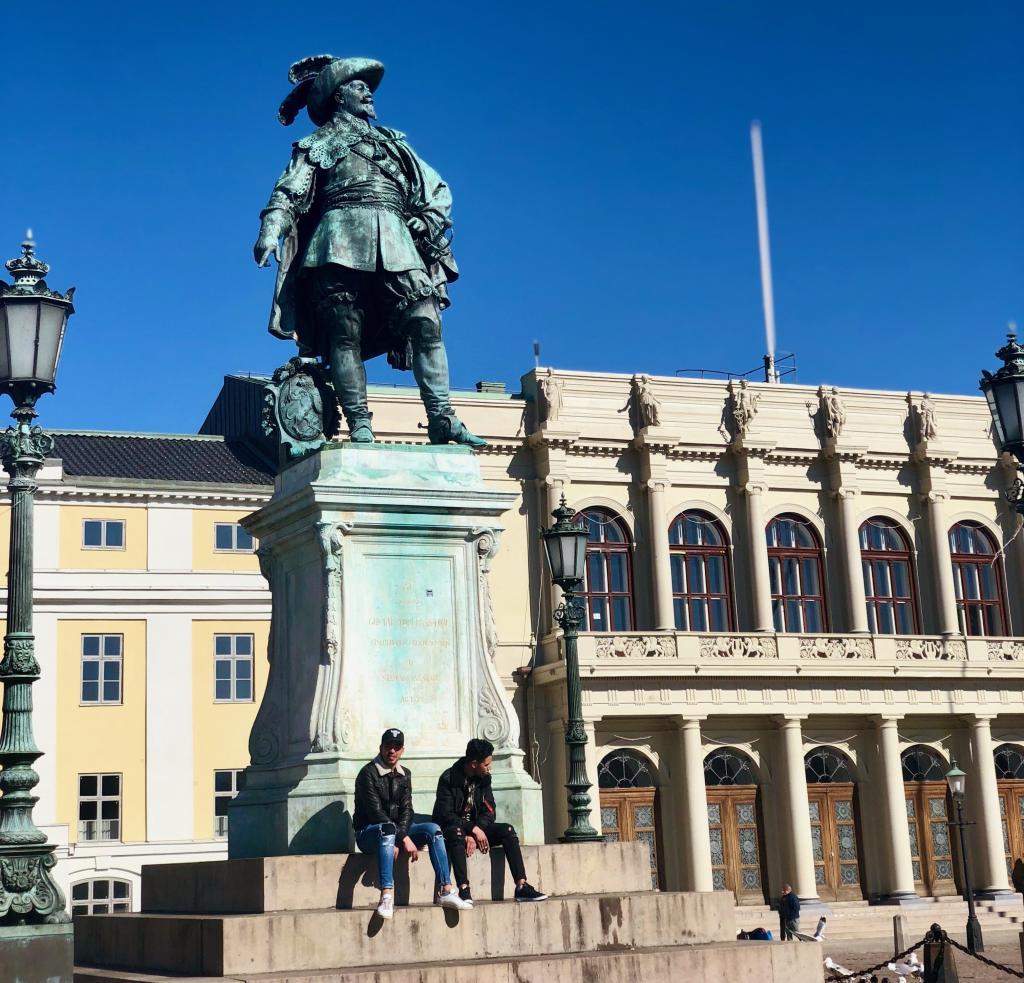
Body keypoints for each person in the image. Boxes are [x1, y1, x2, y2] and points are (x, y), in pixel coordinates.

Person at [254, 54, 484, 448]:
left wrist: (427, 220)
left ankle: (442, 417)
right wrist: (270, 231)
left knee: (425, 321)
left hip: (396, 238)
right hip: (336, 240)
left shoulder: (394, 144)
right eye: (360, 88)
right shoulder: (317, 144)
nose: (369, 95)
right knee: (345, 336)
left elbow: (437, 188)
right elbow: (288, 191)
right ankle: (359, 422)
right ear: (339, 97)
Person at [353, 728, 470, 918]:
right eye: (388, 746)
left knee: (434, 830)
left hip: (397, 832)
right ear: (381, 748)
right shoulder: (368, 774)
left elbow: (408, 810)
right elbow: (375, 814)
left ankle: (446, 890)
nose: (392, 751)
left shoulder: (405, 774)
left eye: (397, 747)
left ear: (402, 750)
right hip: (369, 833)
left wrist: (400, 838)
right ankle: (386, 896)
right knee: (388, 829)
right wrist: (401, 837)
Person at [432, 738, 547, 905]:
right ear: (473, 763)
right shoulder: (448, 779)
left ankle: (521, 886)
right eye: (486, 764)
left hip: (476, 830)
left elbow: (490, 810)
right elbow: (445, 815)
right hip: (453, 831)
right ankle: (464, 889)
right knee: (456, 833)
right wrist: (471, 830)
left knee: (507, 830)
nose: (489, 768)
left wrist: (476, 829)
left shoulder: (484, 779)